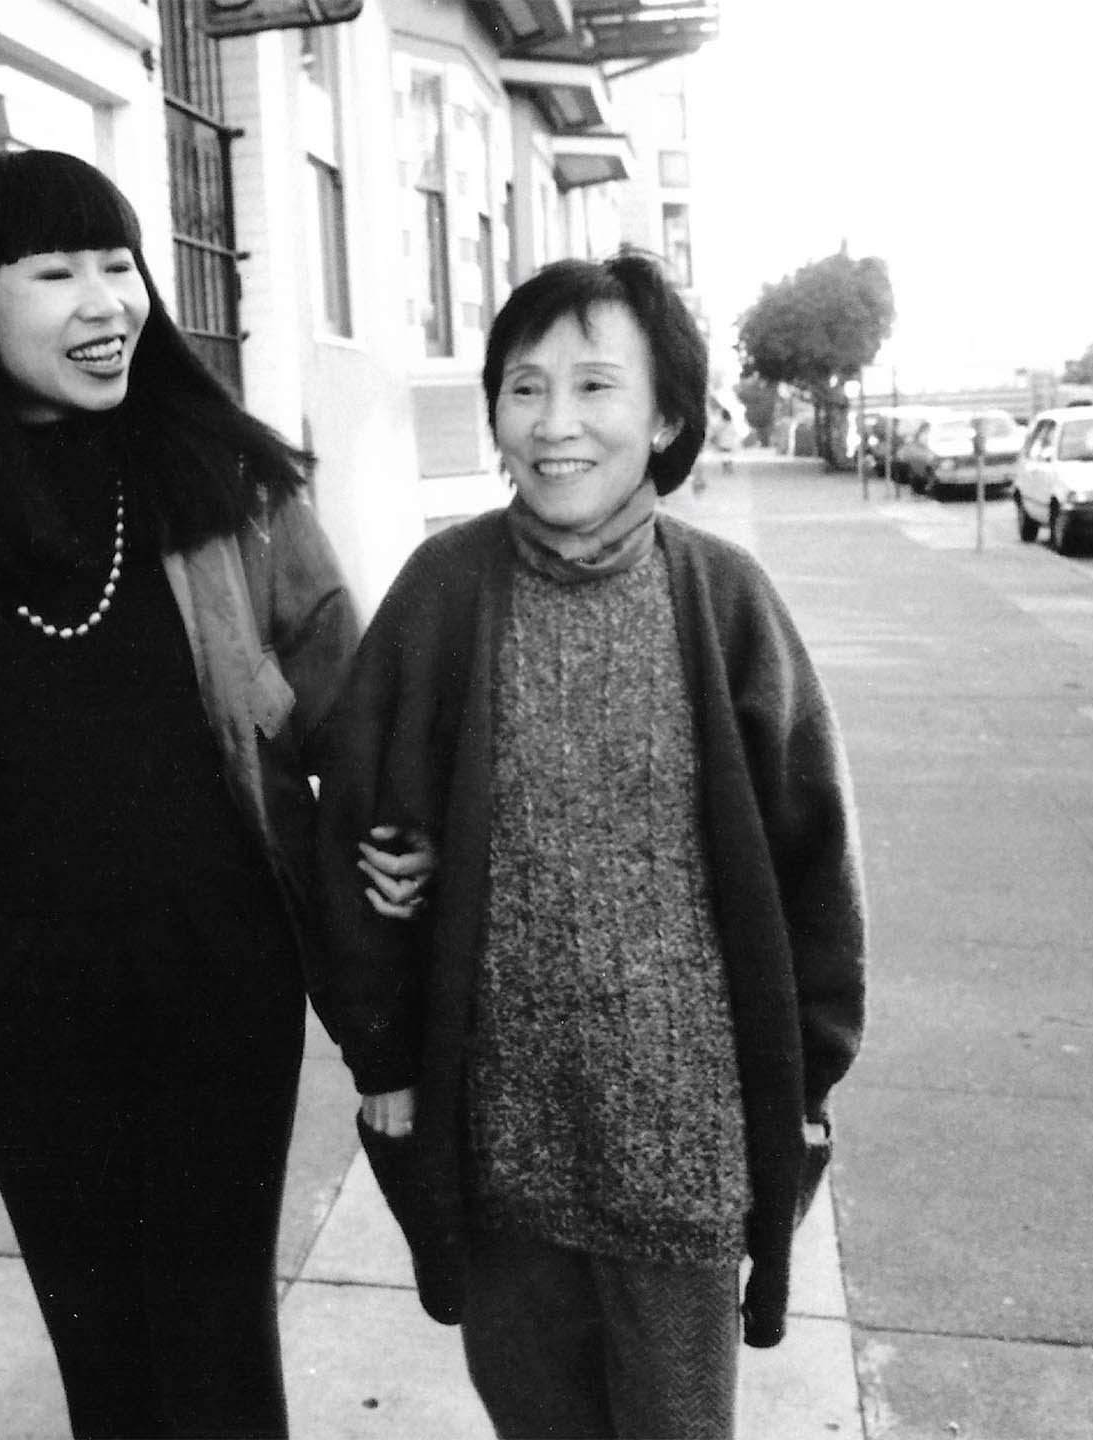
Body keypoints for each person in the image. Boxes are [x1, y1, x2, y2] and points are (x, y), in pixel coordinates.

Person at [0, 149, 406, 1439]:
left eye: (118, 265)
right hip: (24, 1003)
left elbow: (352, 710)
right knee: (103, 1355)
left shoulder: (231, 490)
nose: (107, 303)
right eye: (55, 273)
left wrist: (395, 844)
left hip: (224, 975)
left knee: (217, 1348)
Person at [311, 251, 868, 1439]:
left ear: (665, 417)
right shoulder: (444, 589)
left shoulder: (724, 599)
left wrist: (808, 1080)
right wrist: (384, 1054)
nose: (554, 423)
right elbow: (357, 825)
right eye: (525, 387)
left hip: (682, 1142)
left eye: (595, 386)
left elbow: (813, 859)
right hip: (498, 1132)